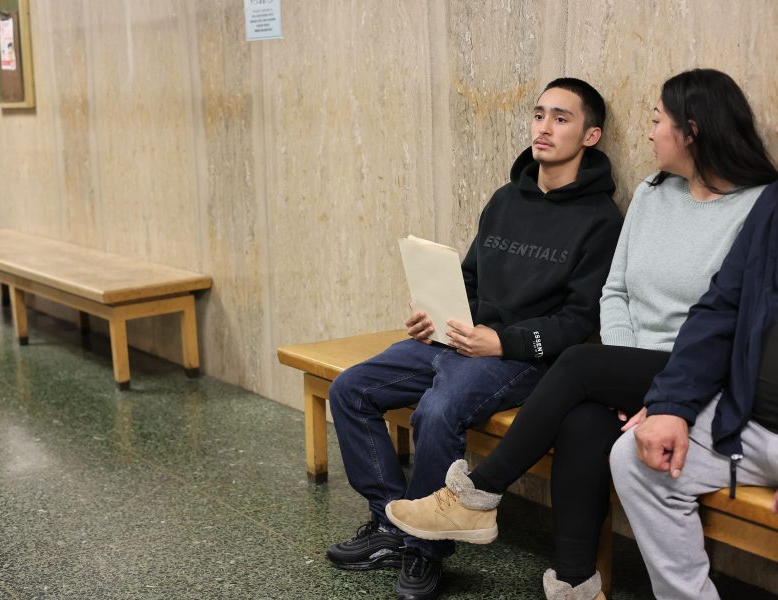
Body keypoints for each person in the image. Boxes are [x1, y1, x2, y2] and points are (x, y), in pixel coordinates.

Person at [384, 68, 778, 600]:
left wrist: (652, 389)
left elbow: (730, 322)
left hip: (697, 370)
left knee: (579, 368)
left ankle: (476, 495)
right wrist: (625, 370)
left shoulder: (759, 208)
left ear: (693, 130)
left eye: (658, 121)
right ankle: (575, 583)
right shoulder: (653, 193)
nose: (649, 132)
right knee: (584, 415)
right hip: (630, 364)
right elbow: (614, 292)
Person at [326, 78, 623, 600]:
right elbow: (467, 277)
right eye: (538, 115)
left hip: (520, 358)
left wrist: (501, 343)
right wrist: (431, 316)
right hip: (456, 338)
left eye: (561, 118)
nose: (544, 128)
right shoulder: (507, 198)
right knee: (351, 389)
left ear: (591, 135)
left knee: (439, 411)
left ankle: (427, 552)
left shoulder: (601, 221)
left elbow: (581, 321)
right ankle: (396, 527)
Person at [608, 189, 778, 598]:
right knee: (635, 458)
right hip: (745, 419)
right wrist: (671, 406)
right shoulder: (774, 203)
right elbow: (721, 306)